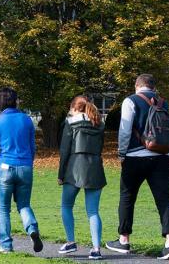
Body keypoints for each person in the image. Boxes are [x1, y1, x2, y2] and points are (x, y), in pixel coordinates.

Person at [106, 74, 169, 260]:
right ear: (153, 87)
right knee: (164, 199)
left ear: (137, 86)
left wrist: (122, 153)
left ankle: (124, 240)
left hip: (135, 156)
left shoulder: (130, 101)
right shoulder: (164, 103)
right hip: (162, 157)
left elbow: (125, 129)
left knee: (127, 197)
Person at [0, 87, 43, 253]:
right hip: (25, 167)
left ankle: (6, 245)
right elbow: (32, 147)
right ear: (15, 101)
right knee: (24, 205)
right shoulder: (27, 120)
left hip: (5, 168)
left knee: (3, 209)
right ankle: (31, 229)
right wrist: (28, 163)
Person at [57, 96, 107, 260]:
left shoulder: (70, 123)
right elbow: (100, 147)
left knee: (66, 205)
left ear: (75, 108)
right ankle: (96, 248)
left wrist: (60, 174)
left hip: (73, 168)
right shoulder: (99, 124)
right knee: (93, 211)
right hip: (94, 168)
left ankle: (71, 241)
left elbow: (64, 150)